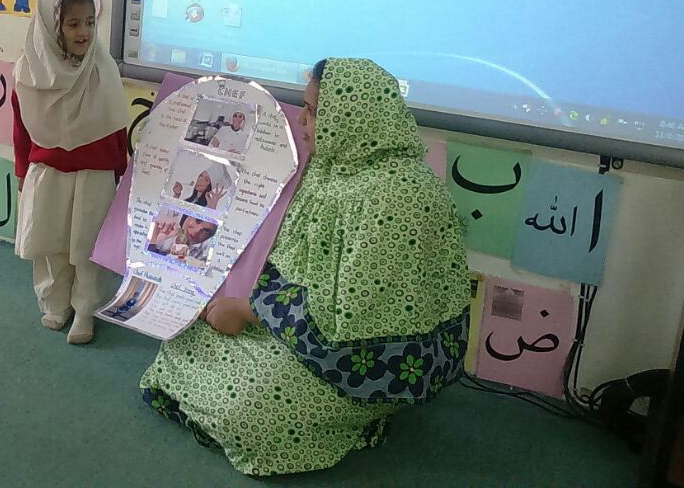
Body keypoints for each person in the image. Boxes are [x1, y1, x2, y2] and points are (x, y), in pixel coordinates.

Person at [140, 58, 470, 476]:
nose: (301, 120)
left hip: (352, 358)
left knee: (245, 412)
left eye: (313, 111)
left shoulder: (395, 196)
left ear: (351, 118)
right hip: (292, 323)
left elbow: (352, 318)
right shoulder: (330, 168)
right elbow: (290, 258)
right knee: (184, 337)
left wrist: (247, 310)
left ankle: (360, 417)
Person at [13, 0, 128, 345]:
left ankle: (85, 309)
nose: (84, 33)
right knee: (50, 245)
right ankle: (55, 302)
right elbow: (21, 127)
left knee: (88, 248)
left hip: (94, 174)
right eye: (73, 24)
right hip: (48, 172)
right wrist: (21, 169)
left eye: (90, 23)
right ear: (53, 27)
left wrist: (120, 172)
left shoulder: (102, 68)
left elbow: (116, 126)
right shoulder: (30, 72)